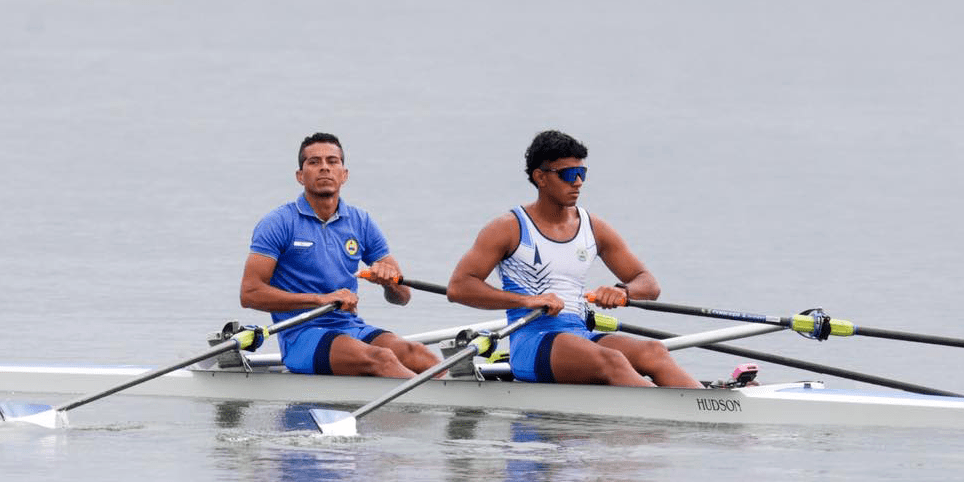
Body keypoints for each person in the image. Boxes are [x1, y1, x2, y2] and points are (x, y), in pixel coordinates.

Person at [447, 129, 703, 388]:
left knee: (654, 351)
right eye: (568, 174)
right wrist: (528, 300)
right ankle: (667, 422)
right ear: (541, 177)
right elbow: (459, 287)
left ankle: (706, 409)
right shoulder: (508, 228)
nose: (578, 181)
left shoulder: (594, 227)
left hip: (580, 333)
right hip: (532, 339)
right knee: (613, 361)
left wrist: (623, 292)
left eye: (582, 173)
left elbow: (648, 283)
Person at [240, 133, 440, 377]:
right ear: (300, 176)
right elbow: (249, 294)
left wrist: (390, 283)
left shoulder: (361, 221)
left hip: (351, 327)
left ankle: (445, 407)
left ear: (344, 174)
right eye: (314, 162)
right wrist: (319, 299)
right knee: (383, 359)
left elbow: (403, 296)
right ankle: (437, 409)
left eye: (332, 161)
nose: (324, 167)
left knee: (419, 355)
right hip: (302, 335)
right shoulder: (278, 223)